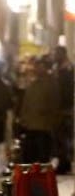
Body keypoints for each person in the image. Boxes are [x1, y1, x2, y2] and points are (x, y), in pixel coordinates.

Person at [17, 56, 61, 164]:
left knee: (42, 154)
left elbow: (54, 104)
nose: (37, 69)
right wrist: (23, 118)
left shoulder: (51, 84)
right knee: (30, 154)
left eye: (40, 67)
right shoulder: (33, 84)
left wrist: (52, 120)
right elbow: (26, 103)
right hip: (30, 125)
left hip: (43, 126)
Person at [54, 46, 74, 174]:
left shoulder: (66, 69)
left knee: (63, 137)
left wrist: (61, 107)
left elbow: (65, 91)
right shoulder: (62, 68)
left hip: (64, 109)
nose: (55, 56)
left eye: (56, 53)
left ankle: (64, 163)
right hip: (62, 108)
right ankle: (64, 162)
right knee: (62, 137)